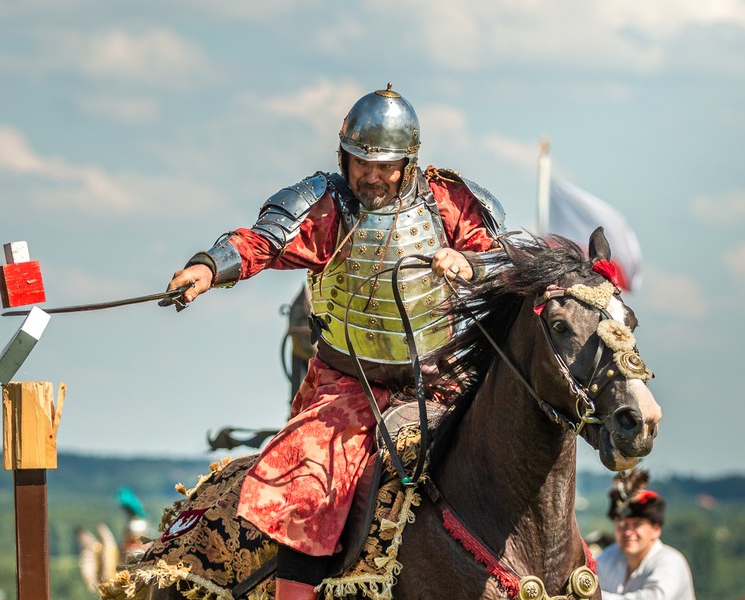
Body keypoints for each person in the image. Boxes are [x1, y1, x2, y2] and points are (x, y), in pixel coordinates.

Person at [165, 84, 505, 600]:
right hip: (347, 387)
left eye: (383, 166)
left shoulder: (449, 202)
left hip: (442, 381)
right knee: (308, 485)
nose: (370, 176)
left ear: (408, 163)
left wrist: (470, 263)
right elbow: (266, 241)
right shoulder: (330, 205)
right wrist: (209, 268)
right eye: (360, 162)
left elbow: (503, 261)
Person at [597, 472, 697, 600]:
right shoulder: (608, 557)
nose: (628, 532)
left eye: (637, 524)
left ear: (656, 530)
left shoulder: (670, 561)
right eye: (622, 524)